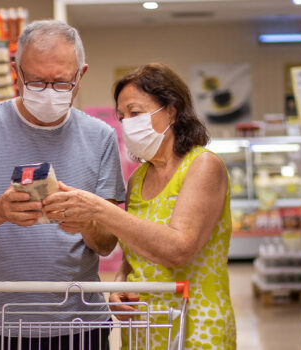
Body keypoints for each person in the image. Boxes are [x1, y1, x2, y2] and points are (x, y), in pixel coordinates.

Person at [0, 20, 126, 349]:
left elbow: (107, 244)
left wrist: (86, 224)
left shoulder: (101, 137)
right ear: (16, 71)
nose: (49, 91)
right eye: (37, 81)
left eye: (61, 82)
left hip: (79, 322)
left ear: (81, 75)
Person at [43, 63, 237, 349]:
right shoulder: (138, 178)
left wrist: (99, 209)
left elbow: (178, 249)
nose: (127, 123)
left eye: (136, 112)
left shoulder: (203, 166)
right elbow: (134, 253)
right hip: (144, 326)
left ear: (171, 110)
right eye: (122, 117)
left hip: (194, 324)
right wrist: (121, 284)